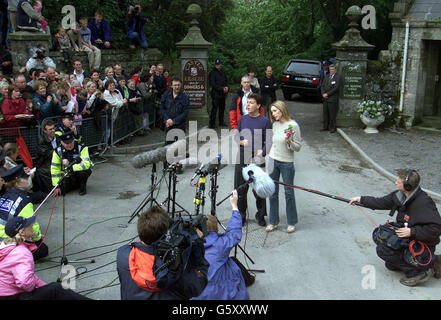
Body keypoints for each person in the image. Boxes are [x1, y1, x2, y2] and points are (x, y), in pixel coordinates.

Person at [349, 169, 441, 287]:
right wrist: (361, 199)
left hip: (422, 243)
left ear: (407, 186)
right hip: (409, 236)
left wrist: (412, 231)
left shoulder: (423, 203)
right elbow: (380, 202)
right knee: (390, 264)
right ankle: (434, 262)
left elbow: (436, 228)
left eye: (398, 181)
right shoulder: (401, 196)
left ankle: (418, 272)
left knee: (383, 251)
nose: (395, 182)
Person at [116, 205, 209, 300]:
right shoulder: (175, 273)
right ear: (165, 236)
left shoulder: (123, 254)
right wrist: (197, 245)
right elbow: (198, 283)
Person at [0, 215, 90, 300]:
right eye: (28, 225)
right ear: (22, 232)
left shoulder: (8, 246)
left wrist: (45, 288)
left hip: (5, 295)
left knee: (53, 290)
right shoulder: (21, 253)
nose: (31, 225)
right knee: (56, 288)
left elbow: (30, 276)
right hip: (11, 297)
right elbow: (25, 283)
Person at [193, 190, 250, 300]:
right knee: (232, 266)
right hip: (218, 294)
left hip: (196, 294)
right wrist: (234, 206)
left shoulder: (188, 246)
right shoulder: (220, 244)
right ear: (214, 228)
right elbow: (234, 233)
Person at [234, 93, 271, 226]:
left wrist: (263, 152)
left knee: (259, 189)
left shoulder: (265, 121)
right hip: (242, 156)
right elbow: (236, 136)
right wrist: (241, 142)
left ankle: (260, 215)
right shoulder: (243, 119)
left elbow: (269, 141)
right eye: (247, 102)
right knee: (240, 188)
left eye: (251, 103)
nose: (247, 105)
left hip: (258, 158)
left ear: (258, 105)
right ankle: (241, 215)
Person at [266, 100, 301, 233]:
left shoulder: (293, 125)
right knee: (273, 192)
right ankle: (273, 221)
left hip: (287, 163)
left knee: (288, 193)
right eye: (272, 112)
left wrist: (289, 142)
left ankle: (291, 222)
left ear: (282, 109)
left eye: (275, 111)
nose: (273, 114)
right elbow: (272, 143)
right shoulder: (274, 125)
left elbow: (298, 147)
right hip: (273, 161)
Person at [0, 164, 48, 261]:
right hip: (8, 241)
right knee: (43, 250)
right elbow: (32, 224)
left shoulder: (5, 196)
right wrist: (38, 239)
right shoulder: (23, 200)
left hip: (3, 237)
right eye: (25, 178)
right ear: (17, 183)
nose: (28, 179)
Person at [51, 131, 93, 196]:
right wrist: (56, 186)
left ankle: (82, 186)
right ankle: (74, 184)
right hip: (67, 174)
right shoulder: (57, 151)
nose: (69, 145)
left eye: (71, 142)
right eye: (66, 143)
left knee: (83, 173)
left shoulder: (82, 147)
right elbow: (55, 169)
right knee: (62, 191)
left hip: (79, 172)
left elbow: (86, 164)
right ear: (61, 142)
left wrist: (72, 167)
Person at [159, 76, 189, 142]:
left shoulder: (185, 97)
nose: (177, 87)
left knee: (180, 147)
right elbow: (162, 107)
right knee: (169, 147)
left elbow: (186, 112)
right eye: (175, 85)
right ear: (171, 86)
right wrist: (167, 119)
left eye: (178, 85)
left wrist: (174, 121)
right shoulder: (166, 94)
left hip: (180, 125)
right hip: (168, 124)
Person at [34, 119, 58, 193]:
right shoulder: (41, 140)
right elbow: (48, 154)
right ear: (45, 131)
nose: (53, 130)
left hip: (56, 159)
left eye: (54, 128)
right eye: (50, 129)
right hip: (44, 163)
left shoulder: (57, 137)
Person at [208, 58, 229, 128]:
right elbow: (213, 84)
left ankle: (221, 122)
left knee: (222, 108)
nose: (218, 66)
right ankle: (212, 123)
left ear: (221, 64)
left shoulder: (223, 72)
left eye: (219, 64)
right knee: (214, 109)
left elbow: (226, 81)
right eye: (216, 64)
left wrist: (227, 87)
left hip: (223, 94)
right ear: (215, 65)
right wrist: (222, 88)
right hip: (216, 94)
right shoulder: (212, 73)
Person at [320, 64, 340, 133]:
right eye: (330, 69)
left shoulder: (338, 77)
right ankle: (325, 127)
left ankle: (332, 128)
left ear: (335, 70)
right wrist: (323, 93)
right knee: (325, 113)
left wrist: (327, 94)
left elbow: (336, 88)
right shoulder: (327, 76)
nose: (331, 71)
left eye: (332, 69)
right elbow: (322, 86)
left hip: (332, 99)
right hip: (325, 98)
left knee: (332, 114)